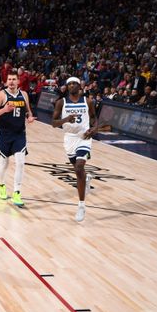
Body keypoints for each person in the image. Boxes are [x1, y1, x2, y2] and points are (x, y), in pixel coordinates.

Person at [51, 77, 98, 222]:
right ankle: (87, 178)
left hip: (83, 136)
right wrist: (66, 119)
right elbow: (53, 123)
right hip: (69, 138)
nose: (71, 86)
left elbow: (94, 119)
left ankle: (81, 206)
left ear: (80, 86)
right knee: (78, 171)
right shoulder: (61, 102)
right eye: (69, 84)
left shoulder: (88, 101)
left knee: (78, 167)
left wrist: (94, 129)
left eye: (74, 83)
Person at [0, 71, 36, 207]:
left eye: (14, 79)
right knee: (4, 163)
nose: (11, 82)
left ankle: (17, 193)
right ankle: (1, 185)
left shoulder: (24, 95)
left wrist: (30, 117)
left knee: (20, 162)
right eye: (9, 79)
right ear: (6, 81)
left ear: (18, 81)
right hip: (4, 133)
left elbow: (28, 112)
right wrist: (4, 110)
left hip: (19, 133)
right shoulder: (1, 95)